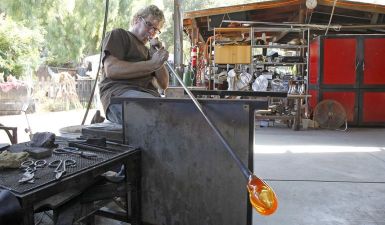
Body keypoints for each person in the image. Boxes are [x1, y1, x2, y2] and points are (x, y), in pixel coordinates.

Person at [99, 5, 169, 124]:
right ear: (137, 19)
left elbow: (164, 84)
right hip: (121, 93)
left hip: (148, 96)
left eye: (156, 29)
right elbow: (111, 70)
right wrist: (152, 64)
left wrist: (156, 56)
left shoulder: (148, 51)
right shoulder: (119, 35)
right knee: (159, 116)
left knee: (176, 112)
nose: (152, 32)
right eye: (149, 25)